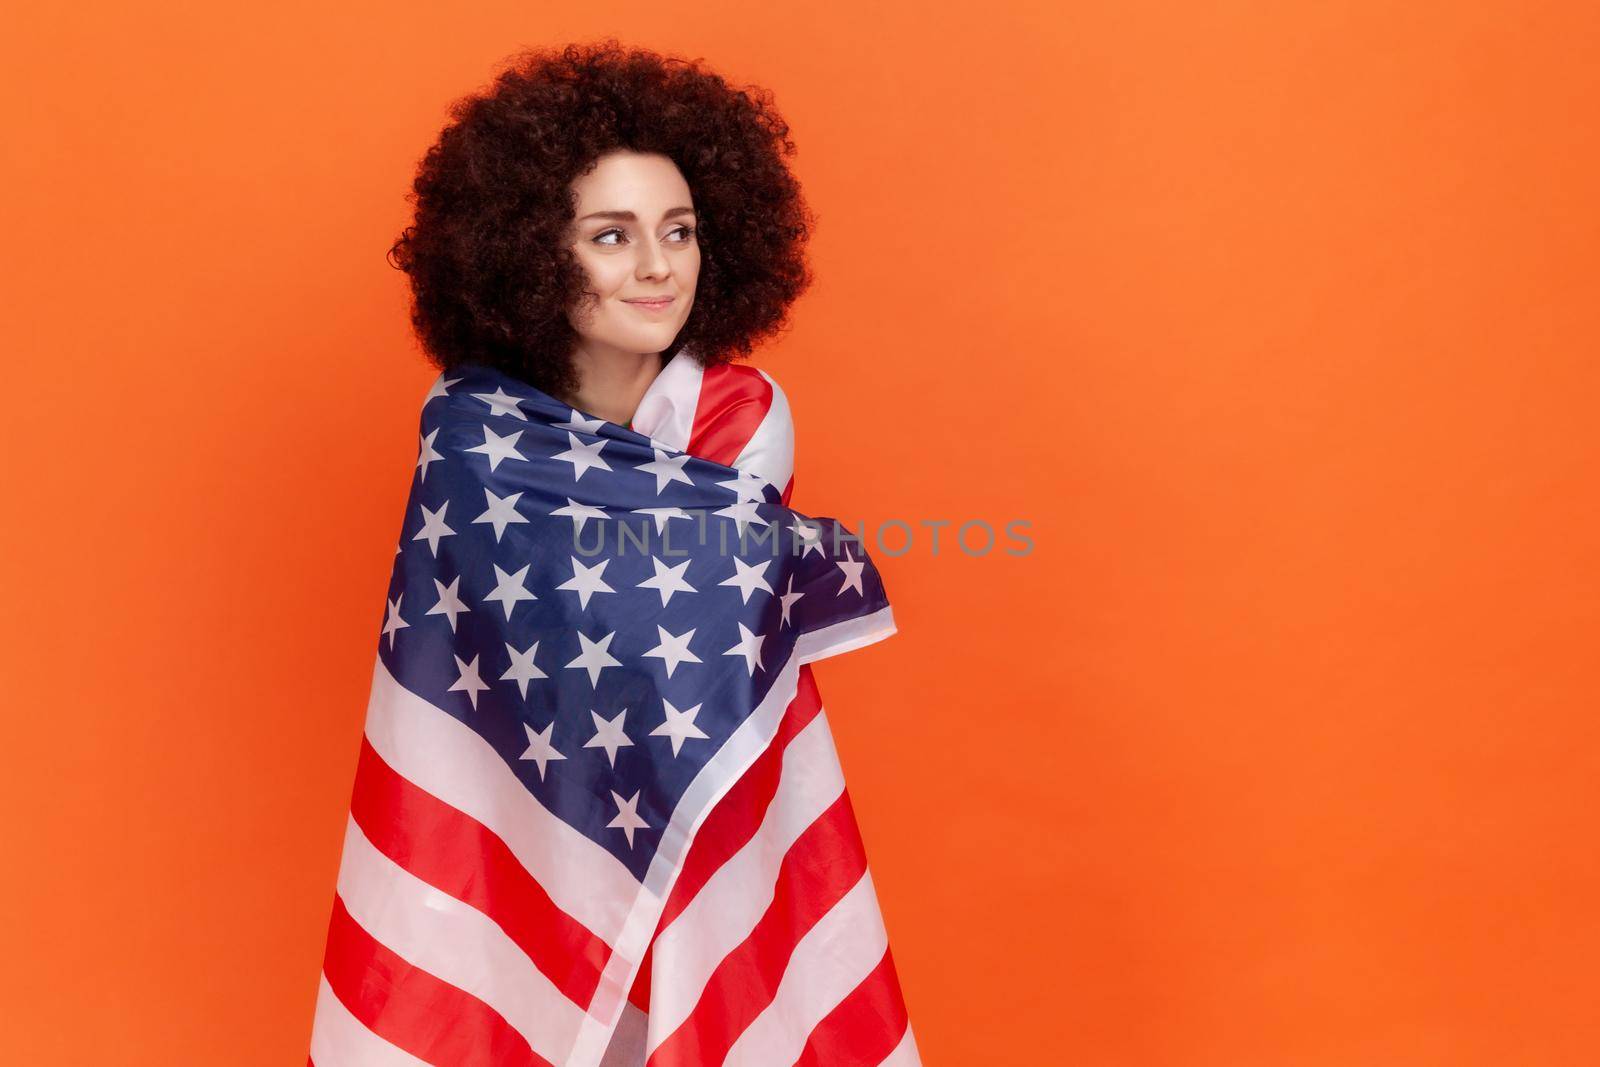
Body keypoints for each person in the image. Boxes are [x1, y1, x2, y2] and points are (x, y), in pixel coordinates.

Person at [309, 40, 920, 1067]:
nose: (656, 266)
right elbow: (563, 627)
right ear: (533, 254)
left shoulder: (743, 416)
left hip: (707, 799)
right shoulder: (468, 430)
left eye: (679, 231)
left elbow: (701, 624)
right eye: (611, 235)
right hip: (529, 806)